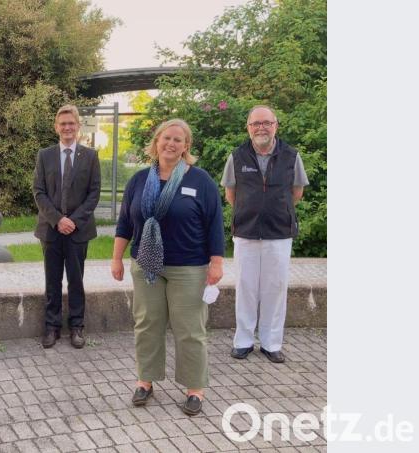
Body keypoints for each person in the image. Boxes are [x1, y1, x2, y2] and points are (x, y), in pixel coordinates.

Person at [110, 119, 224, 416]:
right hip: (146, 264)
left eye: (178, 140)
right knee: (147, 324)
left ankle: (194, 388)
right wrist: (116, 258)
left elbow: (215, 224)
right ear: (156, 141)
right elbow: (124, 223)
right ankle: (145, 381)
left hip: (189, 267)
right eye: (166, 138)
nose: (171, 144)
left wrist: (217, 262)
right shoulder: (138, 180)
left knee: (189, 329)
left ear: (186, 147)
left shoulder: (200, 181)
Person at [222, 105, 309, 364]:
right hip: (246, 232)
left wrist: (274, 210)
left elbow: (297, 192)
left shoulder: (291, 156)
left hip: (279, 233)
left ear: (276, 126)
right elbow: (230, 194)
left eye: (266, 123)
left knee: (275, 288)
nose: (261, 127)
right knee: (246, 287)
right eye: (255, 123)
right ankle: (244, 341)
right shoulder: (236, 157)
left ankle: (271, 343)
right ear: (248, 128)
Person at [33, 104, 101, 349]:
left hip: (78, 230)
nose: (67, 128)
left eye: (71, 123)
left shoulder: (90, 157)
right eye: (62, 124)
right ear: (56, 127)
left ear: (78, 126)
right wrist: (58, 219)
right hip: (51, 230)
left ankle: (76, 327)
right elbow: (39, 192)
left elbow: (93, 194)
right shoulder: (45, 155)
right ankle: (51, 328)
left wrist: (73, 220)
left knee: (76, 279)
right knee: (52, 280)